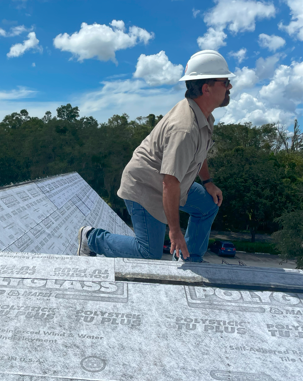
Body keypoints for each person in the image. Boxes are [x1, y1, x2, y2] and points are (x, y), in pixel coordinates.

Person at [77, 49, 234, 262]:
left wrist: (208, 182)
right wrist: (175, 232)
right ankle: (91, 238)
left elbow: (199, 153)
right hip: (146, 186)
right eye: (225, 82)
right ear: (206, 88)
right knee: (148, 253)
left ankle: (191, 259)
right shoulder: (184, 128)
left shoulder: (203, 117)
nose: (230, 87)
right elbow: (169, 183)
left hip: (172, 184)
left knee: (207, 205)